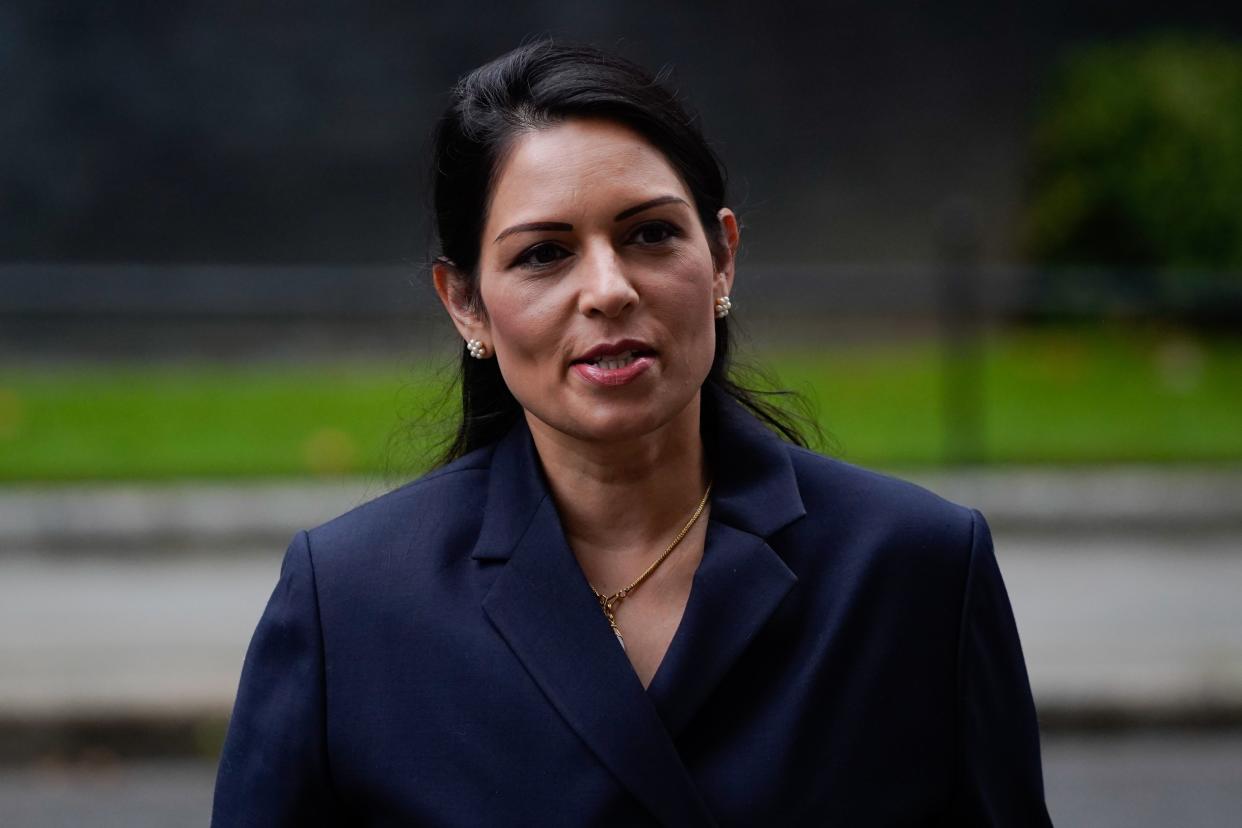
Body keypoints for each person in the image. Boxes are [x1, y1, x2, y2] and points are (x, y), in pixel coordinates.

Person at [212, 41, 1052, 826]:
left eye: (650, 234)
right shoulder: (351, 603)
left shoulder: (915, 570)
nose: (609, 290)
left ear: (721, 258)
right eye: (544, 254)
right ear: (465, 303)